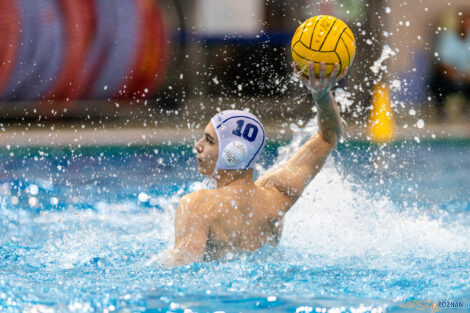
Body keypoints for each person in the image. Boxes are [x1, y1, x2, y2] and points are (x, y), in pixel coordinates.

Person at [158, 61, 348, 267]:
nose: (197, 146)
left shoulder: (197, 205)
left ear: (234, 153)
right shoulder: (277, 195)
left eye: (209, 140)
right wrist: (321, 95)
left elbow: (182, 272)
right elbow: (328, 138)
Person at [430, 9, 470, 118]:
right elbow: (444, 65)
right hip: (451, 78)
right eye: (465, 21)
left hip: (467, 79)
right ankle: (441, 111)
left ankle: (466, 110)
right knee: (437, 81)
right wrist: (460, 75)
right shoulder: (448, 38)